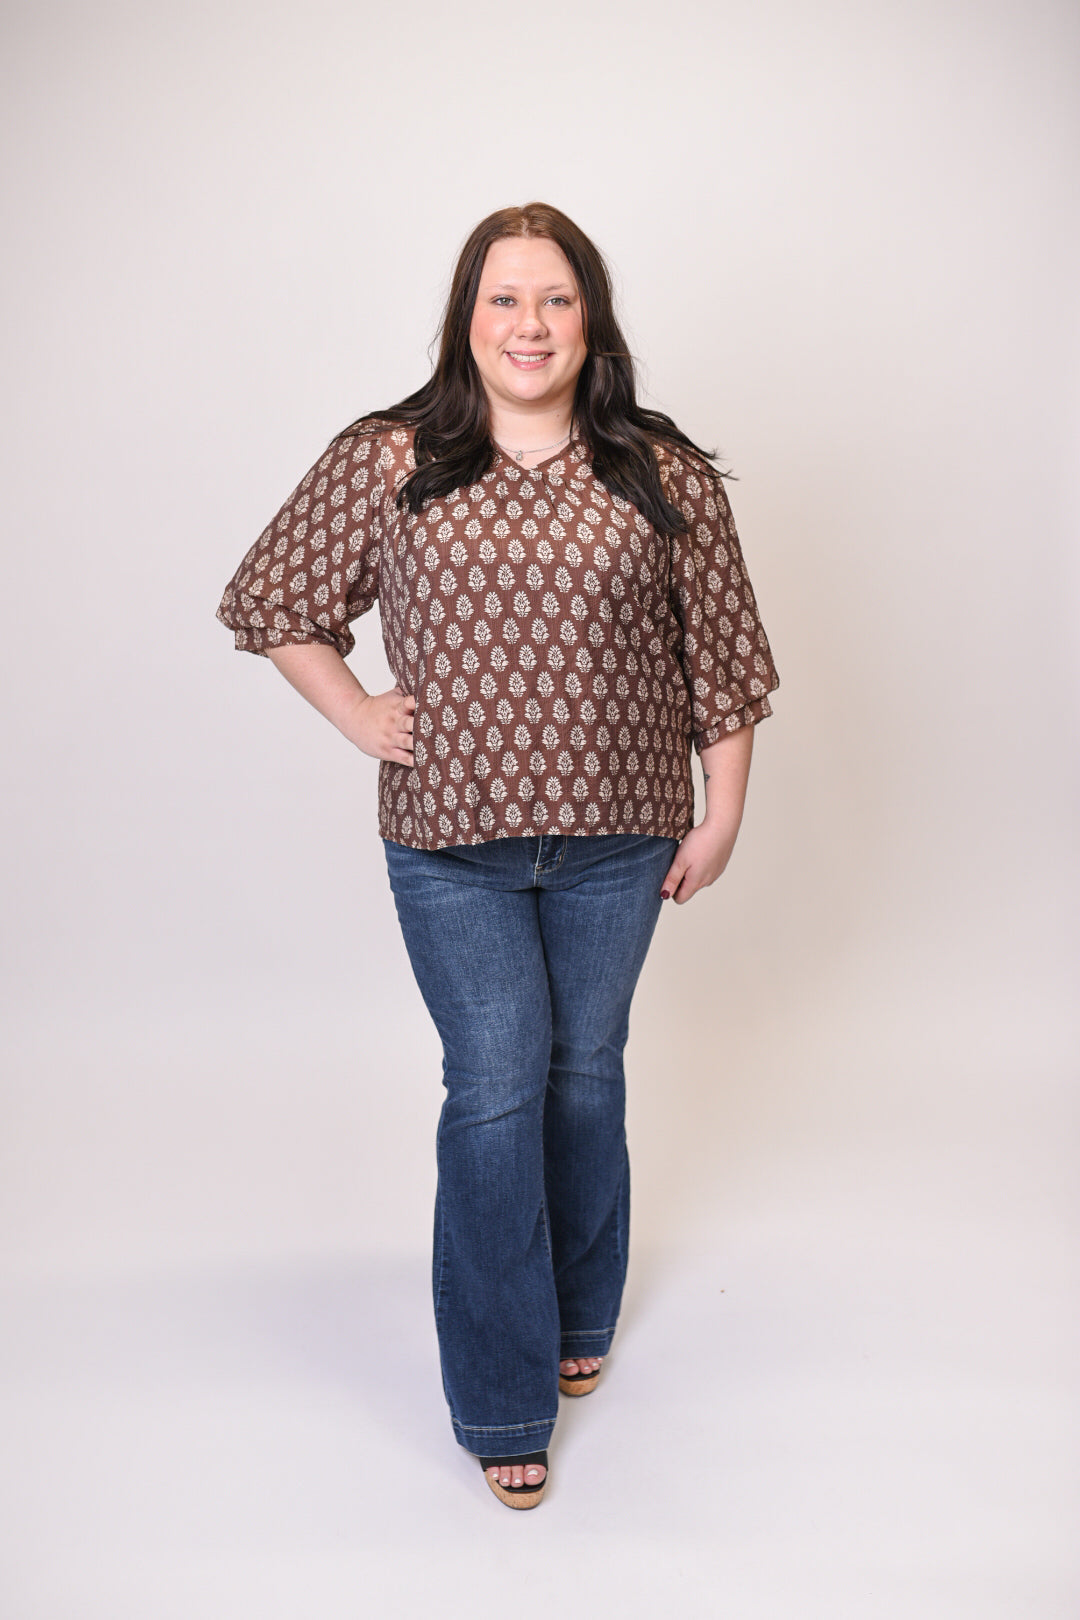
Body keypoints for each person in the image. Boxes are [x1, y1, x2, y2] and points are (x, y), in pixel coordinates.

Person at [217, 202, 778, 1509]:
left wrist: (724, 811)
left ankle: (579, 1310)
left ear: (592, 320)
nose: (531, 325)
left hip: (622, 840)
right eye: (505, 299)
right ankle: (500, 1396)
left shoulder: (659, 470)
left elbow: (724, 652)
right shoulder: (389, 458)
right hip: (450, 847)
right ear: (466, 319)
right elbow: (272, 598)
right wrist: (358, 713)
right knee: (494, 1086)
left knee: (584, 1075)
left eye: (556, 299)